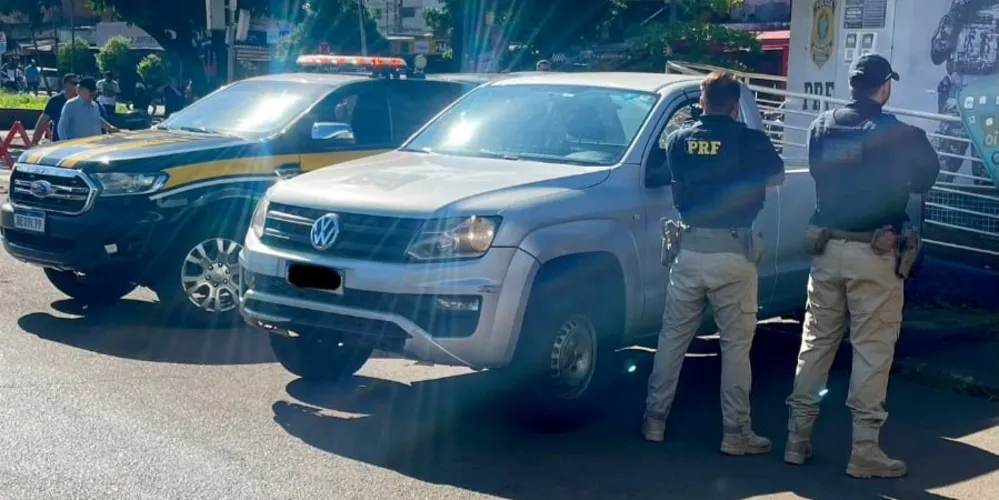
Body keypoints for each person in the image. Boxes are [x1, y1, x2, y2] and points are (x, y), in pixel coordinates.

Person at [784, 54, 940, 478]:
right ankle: (864, 452)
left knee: (816, 343)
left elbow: (819, 172)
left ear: (853, 85)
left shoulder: (821, 127)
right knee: (872, 350)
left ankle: (796, 440)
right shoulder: (904, 135)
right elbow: (927, 178)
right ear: (885, 86)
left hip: (827, 248)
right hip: (875, 253)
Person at [643, 71, 785, 453]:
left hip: (688, 250)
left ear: (702, 100)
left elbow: (675, 177)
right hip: (734, 251)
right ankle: (736, 434)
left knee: (672, 340)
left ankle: (654, 421)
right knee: (736, 348)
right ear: (736, 104)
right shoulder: (751, 140)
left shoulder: (677, 139)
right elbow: (778, 177)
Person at [31, 73, 79, 145]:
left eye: (78, 84)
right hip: (59, 143)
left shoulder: (81, 101)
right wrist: (34, 142)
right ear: (66, 85)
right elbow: (42, 122)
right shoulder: (55, 101)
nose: (77, 86)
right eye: (74, 83)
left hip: (78, 144)